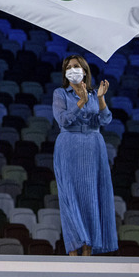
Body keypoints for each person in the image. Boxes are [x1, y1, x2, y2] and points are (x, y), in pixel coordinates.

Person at [51, 54, 118, 256]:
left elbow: (105, 120)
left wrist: (99, 99)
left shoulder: (95, 93)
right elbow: (63, 120)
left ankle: (88, 250)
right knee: (70, 198)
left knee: (92, 198)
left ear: (85, 70)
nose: (73, 69)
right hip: (69, 147)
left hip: (93, 148)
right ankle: (73, 250)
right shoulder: (61, 94)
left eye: (76, 66)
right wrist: (80, 102)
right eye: (69, 67)